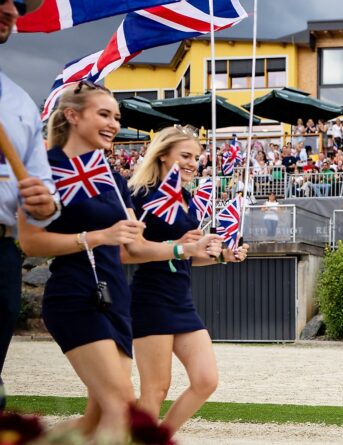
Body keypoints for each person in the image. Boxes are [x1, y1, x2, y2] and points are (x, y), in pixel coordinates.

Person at [15, 83, 220, 440]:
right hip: (76, 294)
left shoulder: (110, 175)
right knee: (123, 406)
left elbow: (135, 246)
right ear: (72, 115)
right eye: (104, 114)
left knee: (97, 421)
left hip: (116, 298)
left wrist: (185, 249)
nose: (113, 123)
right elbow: (30, 242)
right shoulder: (46, 166)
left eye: (116, 117)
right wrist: (98, 237)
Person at [128, 126, 247, 437]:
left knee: (206, 380)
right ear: (163, 154)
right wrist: (179, 245)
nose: (194, 162)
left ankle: (158, 438)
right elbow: (128, 253)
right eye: (185, 155)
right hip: (151, 296)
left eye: (196, 156)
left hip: (181, 298)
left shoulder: (186, 198)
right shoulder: (143, 196)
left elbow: (188, 255)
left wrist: (224, 256)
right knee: (155, 390)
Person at [0, 0, 61, 411]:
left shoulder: (19, 101)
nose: (13, 10)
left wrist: (44, 203)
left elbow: (44, 189)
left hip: (2, 249)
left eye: (19, 4)